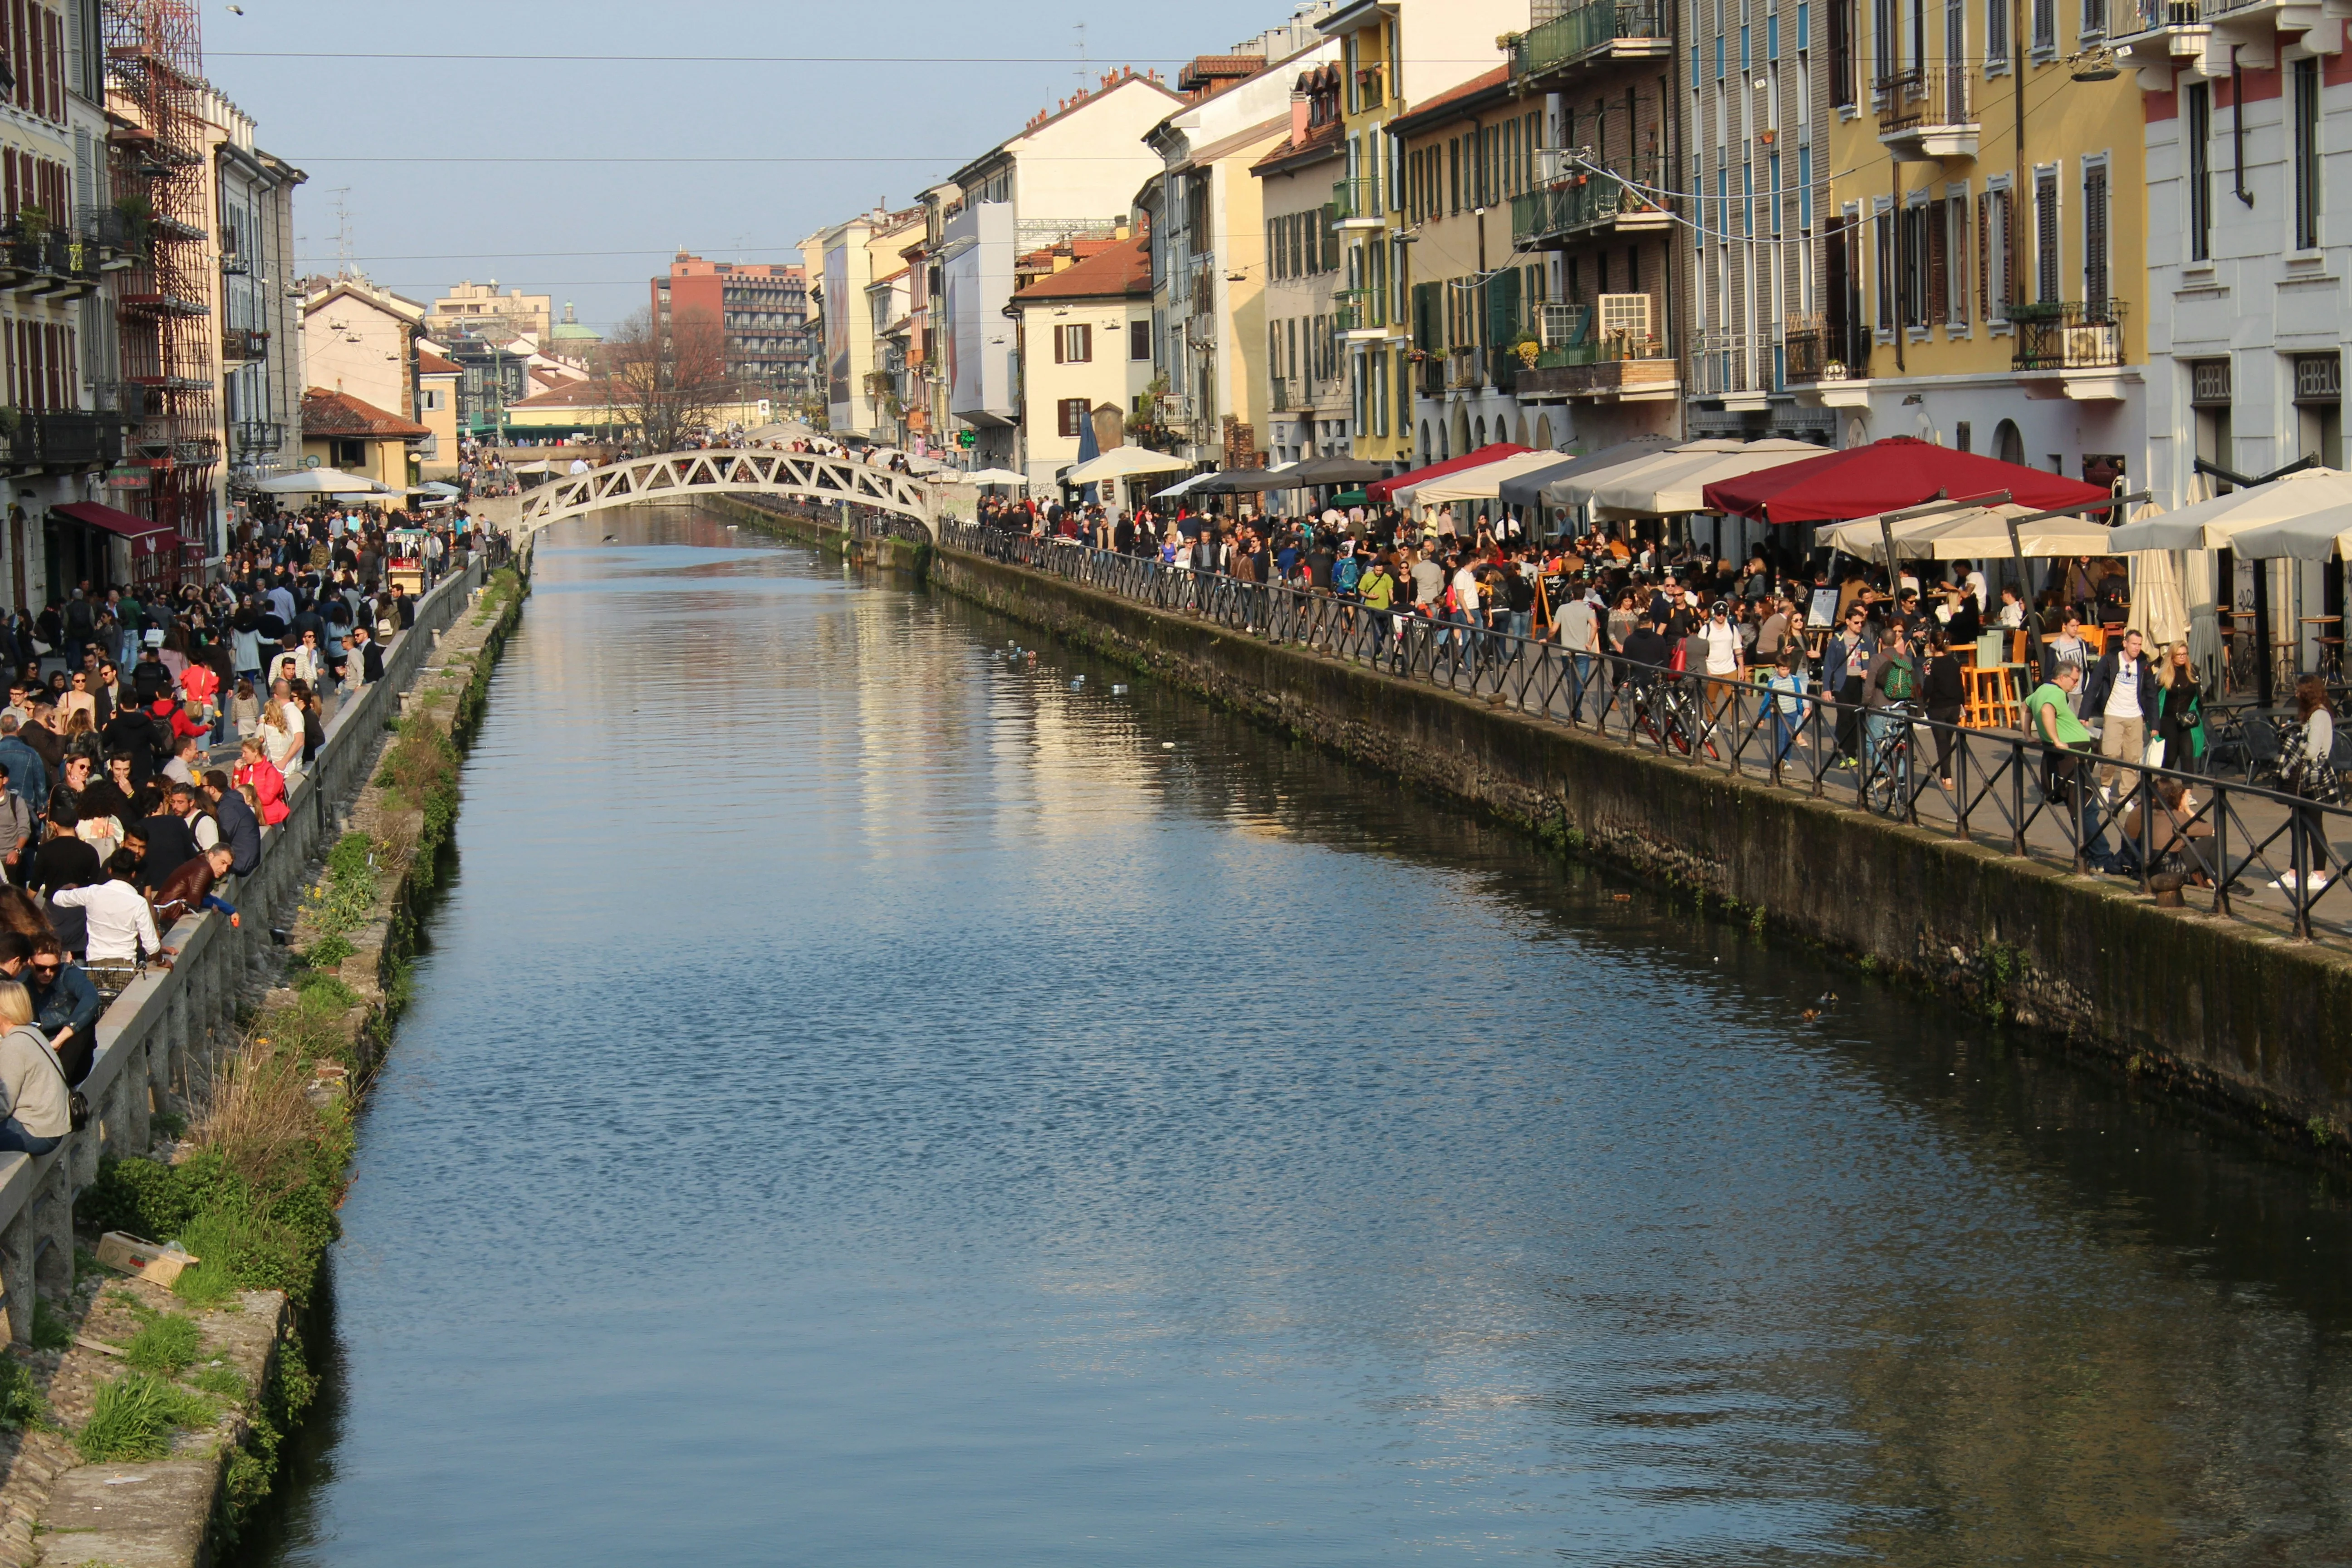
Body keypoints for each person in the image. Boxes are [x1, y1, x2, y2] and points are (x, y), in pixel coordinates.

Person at [2276, 674, 2338, 893]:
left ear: (2308, 693)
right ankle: (2294, 872)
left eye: (2298, 691)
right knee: (2297, 824)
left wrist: (2295, 738)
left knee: (2314, 826)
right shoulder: (2312, 715)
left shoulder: (2319, 715)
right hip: (2306, 776)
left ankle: (2320, 874)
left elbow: (2313, 750)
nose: (2295, 694)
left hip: (2314, 776)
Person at [2080, 627, 2157, 799]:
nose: (2137, 648)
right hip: (2114, 713)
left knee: (2133, 758)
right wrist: (2084, 714)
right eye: (2134, 644)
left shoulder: (2144, 664)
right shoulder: (2110, 660)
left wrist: (2155, 724)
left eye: (2139, 644)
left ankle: (2126, 796)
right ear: (2125, 643)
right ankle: (2106, 785)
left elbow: (2152, 695)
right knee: (2111, 753)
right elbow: (2094, 686)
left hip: (2135, 715)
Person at [0, 981, 71, 1155]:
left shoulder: (13, 1044)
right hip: (51, 1126)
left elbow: (3, 1104)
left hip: (37, 1132)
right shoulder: (31, 1033)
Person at [23, 937, 97, 1086]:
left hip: (70, 1055)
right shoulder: (22, 982)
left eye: (54, 968)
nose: (48, 973)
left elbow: (92, 998)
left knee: (85, 1022)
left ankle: (59, 1084)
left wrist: (59, 1040)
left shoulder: (68, 975)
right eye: (41, 968)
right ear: (30, 962)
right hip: (37, 1052)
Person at [1921, 627, 1966, 791]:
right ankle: (1944, 773)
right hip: (1954, 706)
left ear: (1932, 645)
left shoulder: (1930, 664)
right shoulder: (1954, 662)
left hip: (1938, 706)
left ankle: (1947, 778)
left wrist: (1922, 702)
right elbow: (1960, 685)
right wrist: (1963, 704)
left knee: (1941, 743)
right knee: (1947, 741)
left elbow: (1928, 688)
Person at [2154, 640, 2206, 774]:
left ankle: (2187, 792)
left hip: (2186, 719)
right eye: (2179, 654)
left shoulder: (2193, 672)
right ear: (2172, 656)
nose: (2183, 657)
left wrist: (2198, 712)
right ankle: (2162, 787)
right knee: (2171, 757)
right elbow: (2154, 698)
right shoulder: (2163, 674)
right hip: (2168, 719)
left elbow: (2199, 696)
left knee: (2187, 755)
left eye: (2185, 654)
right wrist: (2153, 722)